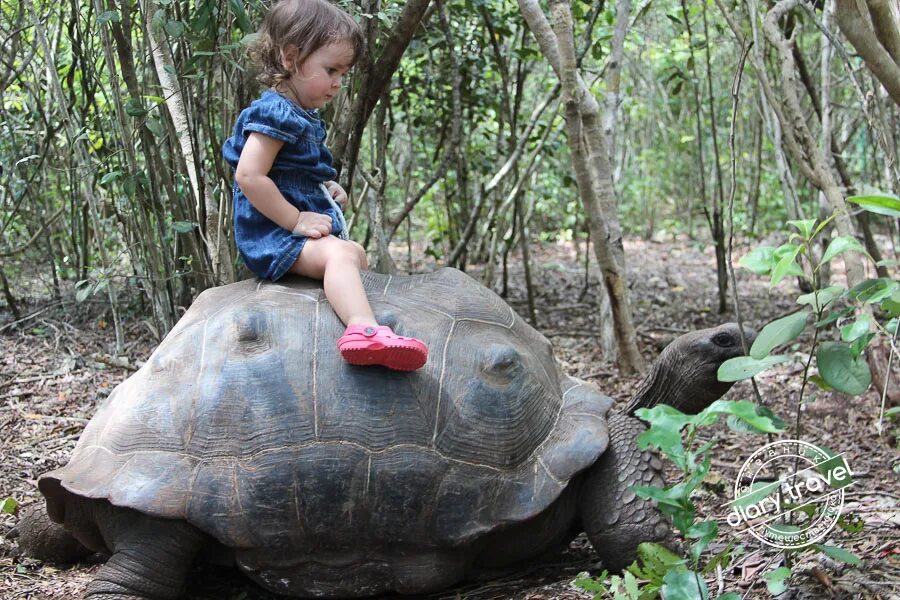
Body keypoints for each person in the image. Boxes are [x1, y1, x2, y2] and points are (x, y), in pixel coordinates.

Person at [223, 0, 427, 371]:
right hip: (274, 236)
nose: (337, 82)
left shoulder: (302, 113)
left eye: (343, 72)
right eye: (330, 69)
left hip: (292, 231)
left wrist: (327, 187)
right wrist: (295, 218)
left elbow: (294, 170)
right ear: (291, 58)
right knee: (342, 255)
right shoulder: (274, 111)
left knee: (356, 254)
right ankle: (363, 330)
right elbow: (249, 175)